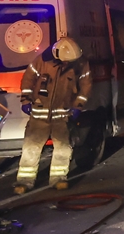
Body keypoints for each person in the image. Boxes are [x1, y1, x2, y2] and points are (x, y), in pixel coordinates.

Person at [16, 37, 91, 193]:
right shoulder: (41, 61)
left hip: (63, 115)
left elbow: (85, 86)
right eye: (65, 62)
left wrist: (78, 106)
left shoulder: (80, 62)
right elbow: (28, 79)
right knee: (31, 147)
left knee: (63, 148)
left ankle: (58, 179)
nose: (67, 65)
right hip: (39, 113)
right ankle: (24, 181)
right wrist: (26, 100)